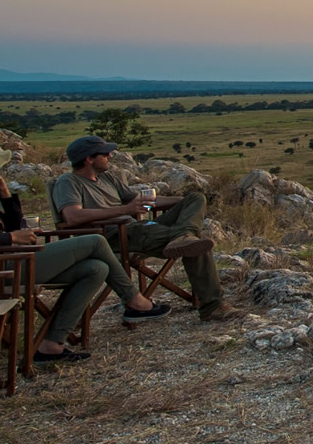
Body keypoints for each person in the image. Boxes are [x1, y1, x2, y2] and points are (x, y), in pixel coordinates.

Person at [0, 142, 170, 364]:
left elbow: (13, 227)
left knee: (96, 268)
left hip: (6, 263)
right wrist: (10, 238)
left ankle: (52, 344)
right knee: (94, 241)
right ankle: (135, 302)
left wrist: (6, 197)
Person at [50, 134, 231, 321]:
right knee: (196, 245)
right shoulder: (68, 182)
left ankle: (184, 235)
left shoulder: (108, 178)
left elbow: (141, 202)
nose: (110, 156)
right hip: (113, 237)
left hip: (138, 229)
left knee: (195, 199)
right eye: (104, 154)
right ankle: (212, 307)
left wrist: (181, 203)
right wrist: (123, 210)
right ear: (89, 159)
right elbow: (72, 216)